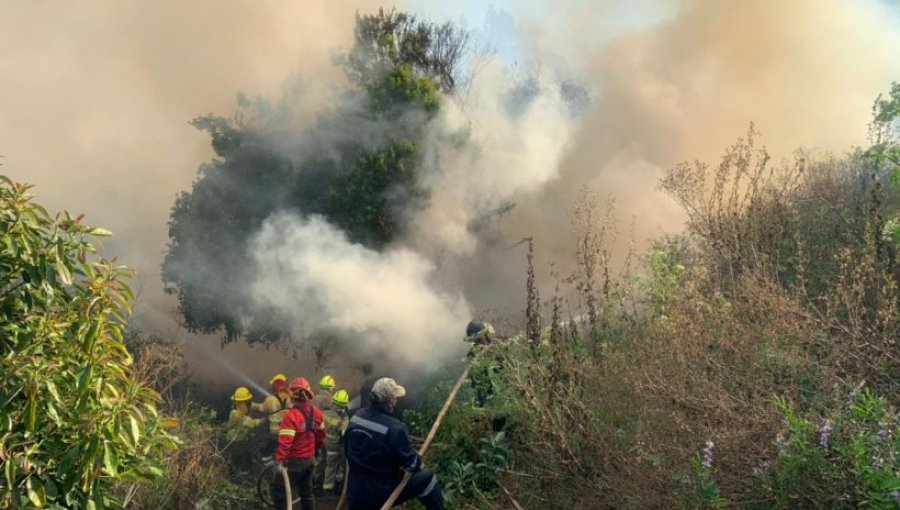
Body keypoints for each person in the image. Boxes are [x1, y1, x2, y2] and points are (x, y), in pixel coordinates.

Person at [344, 377, 444, 510]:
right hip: (381, 493)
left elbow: (346, 450)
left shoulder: (356, 417)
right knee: (428, 478)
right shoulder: (394, 428)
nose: (396, 402)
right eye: (395, 399)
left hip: (355, 493)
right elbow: (413, 464)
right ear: (390, 402)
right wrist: (418, 460)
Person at [273, 377, 325, 510]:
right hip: (309, 461)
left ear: (292, 395)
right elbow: (320, 437)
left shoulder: (291, 416)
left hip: (293, 463)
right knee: (307, 494)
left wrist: (279, 462)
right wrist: (313, 452)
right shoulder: (318, 413)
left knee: (281, 493)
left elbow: (286, 443)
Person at [252, 373, 293, 463]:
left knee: (266, 451)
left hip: (275, 432)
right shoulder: (290, 398)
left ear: (275, 386)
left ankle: (271, 468)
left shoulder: (270, 399)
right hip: (288, 431)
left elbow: (262, 408)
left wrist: (253, 405)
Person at [322, 389, 350, 493]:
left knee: (322, 462)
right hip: (333, 445)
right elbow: (344, 433)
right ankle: (328, 487)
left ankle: (316, 481)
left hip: (322, 443)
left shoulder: (324, 412)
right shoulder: (342, 419)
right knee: (332, 465)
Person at [311, 375, 335, 490]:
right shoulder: (328, 399)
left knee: (316, 457)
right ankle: (318, 484)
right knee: (324, 458)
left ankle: (312, 481)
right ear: (330, 388)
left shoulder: (314, 398)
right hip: (322, 432)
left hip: (311, 432)